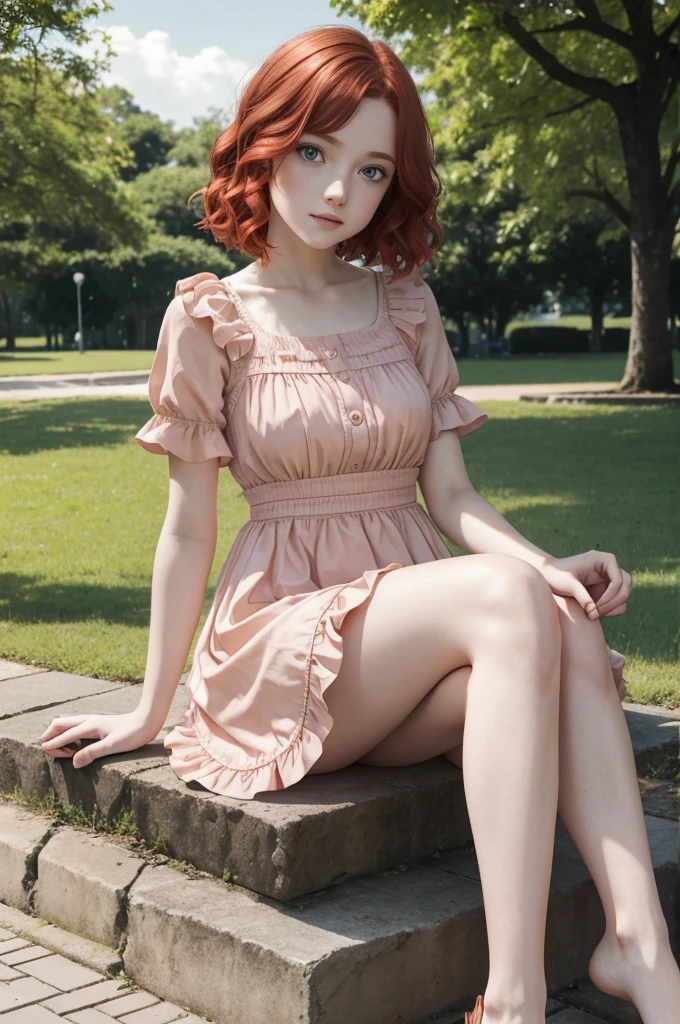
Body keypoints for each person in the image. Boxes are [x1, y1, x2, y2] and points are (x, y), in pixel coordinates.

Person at [38, 25, 680, 1024]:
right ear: (265, 141)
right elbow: (185, 532)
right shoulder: (209, 317)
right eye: (315, 150)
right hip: (283, 640)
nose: (339, 189)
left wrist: (547, 564)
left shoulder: (404, 307)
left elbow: (453, 500)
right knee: (520, 601)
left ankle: (637, 945)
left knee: (561, 616)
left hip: (406, 632)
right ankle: (510, 997)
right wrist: (147, 708)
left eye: (371, 168)